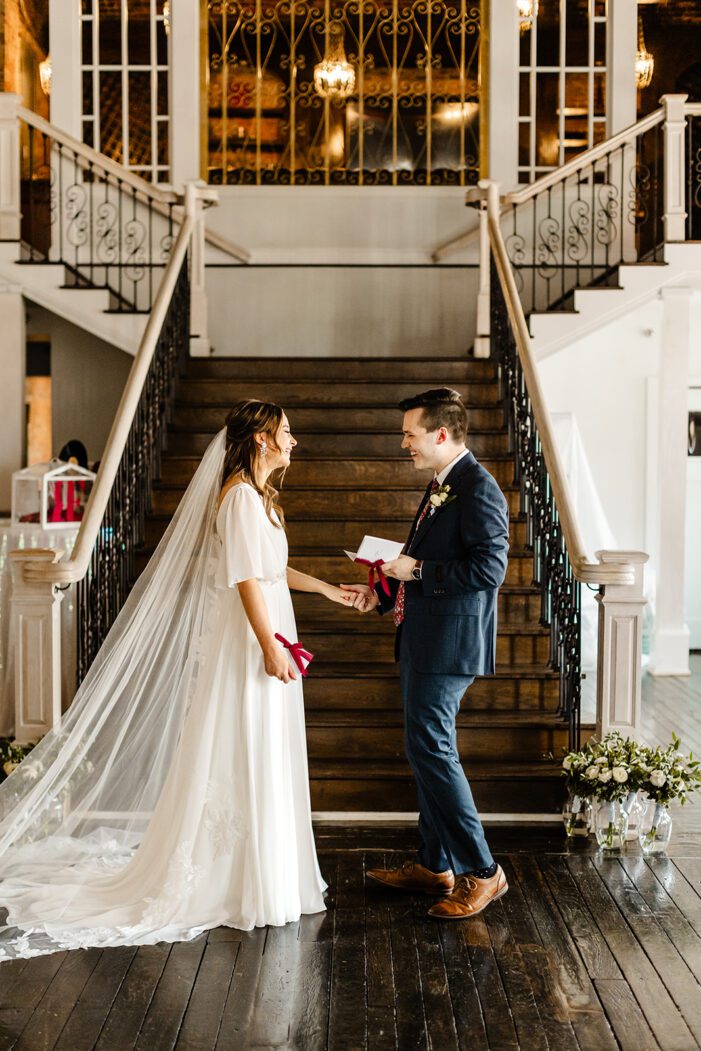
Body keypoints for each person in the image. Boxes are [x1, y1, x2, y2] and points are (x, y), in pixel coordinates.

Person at [0, 400, 352, 959]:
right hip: (248, 642)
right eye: (286, 432)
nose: (294, 441)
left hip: (272, 628)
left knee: (266, 748)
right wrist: (268, 646)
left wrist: (330, 591)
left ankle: (267, 871)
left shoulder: (260, 499)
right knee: (244, 745)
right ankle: (236, 880)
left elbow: (270, 569)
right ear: (260, 439)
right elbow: (244, 580)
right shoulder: (238, 497)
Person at [343, 388, 510, 920]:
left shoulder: (477, 488)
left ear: (441, 434)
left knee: (433, 750)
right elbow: (424, 557)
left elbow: (489, 570)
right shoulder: (443, 485)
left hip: (450, 644)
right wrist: (383, 592)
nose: (404, 444)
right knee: (423, 750)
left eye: (410, 435)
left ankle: (483, 872)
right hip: (423, 636)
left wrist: (414, 572)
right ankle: (434, 865)